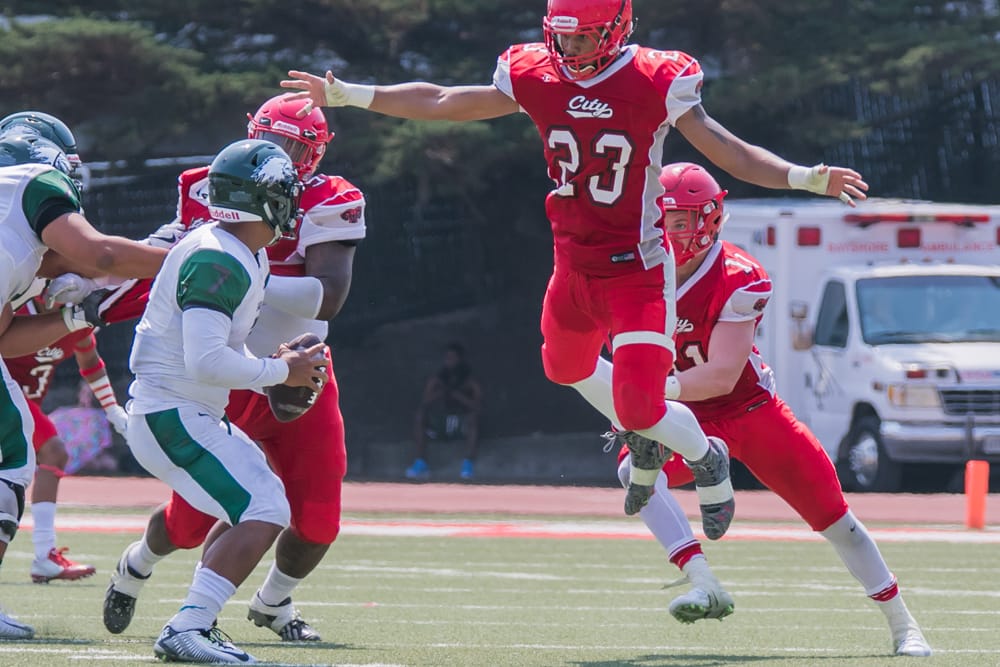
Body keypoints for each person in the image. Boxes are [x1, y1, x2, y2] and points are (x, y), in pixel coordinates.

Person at [280, 0, 868, 536]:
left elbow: (727, 150)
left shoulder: (656, 78)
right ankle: (686, 447)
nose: (571, 49)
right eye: (562, 38)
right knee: (562, 367)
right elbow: (443, 100)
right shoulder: (537, 72)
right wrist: (351, 94)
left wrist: (804, 177)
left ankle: (705, 458)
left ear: (617, 30)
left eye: (583, 38)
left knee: (638, 408)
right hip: (574, 265)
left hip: (636, 268)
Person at [616, 162, 930, 656]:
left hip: (749, 410)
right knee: (633, 472)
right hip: (684, 412)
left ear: (709, 220)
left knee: (836, 519)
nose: (666, 232)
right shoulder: (633, 272)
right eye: (659, 220)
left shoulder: (738, 276)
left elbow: (720, 376)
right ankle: (702, 579)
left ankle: (903, 625)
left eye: (678, 221)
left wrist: (645, 395)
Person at [94, 95, 367, 644]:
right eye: (273, 141)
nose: (282, 159)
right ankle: (157, 583)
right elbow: (178, 271)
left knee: (311, 513)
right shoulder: (222, 217)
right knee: (195, 520)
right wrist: (97, 283)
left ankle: (264, 605)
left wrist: (250, 277)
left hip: (289, 368)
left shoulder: (277, 228)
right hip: (228, 375)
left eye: (295, 147)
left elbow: (329, 297)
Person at [122, 138, 327, 664]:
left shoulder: (240, 251)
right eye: (286, 192)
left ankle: (196, 622)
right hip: (172, 411)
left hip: (187, 409)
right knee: (264, 507)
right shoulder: (219, 258)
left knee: (257, 505)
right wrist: (281, 372)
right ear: (266, 199)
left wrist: (272, 369)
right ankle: (188, 626)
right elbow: (206, 362)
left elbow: (220, 353)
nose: (293, 202)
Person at [0, 127, 166, 638]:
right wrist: (187, 258)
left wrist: (77, 316)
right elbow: (102, 255)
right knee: (15, 455)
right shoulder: (35, 180)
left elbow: (4, 339)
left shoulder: (13, 249)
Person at [4, 296, 128, 583]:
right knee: (53, 452)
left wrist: (113, 411)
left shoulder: (77, 316)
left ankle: (44, 555)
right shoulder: (15, 307)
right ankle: (44, 555)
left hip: (24, 402)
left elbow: (91, 362)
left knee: (41, 459)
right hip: (7, 397)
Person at [406, 341, 483, 480]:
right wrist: (440, 393)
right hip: (441, 423)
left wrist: (458, 396)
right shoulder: (437, 379)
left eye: (452, 358)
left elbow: (477, 407)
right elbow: (425, 402)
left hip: (461, 423)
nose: (449, 361)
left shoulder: (470, 380)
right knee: (420, 416)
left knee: (474, 418)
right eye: (447, 358)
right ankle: (420, 463)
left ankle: (468, 465)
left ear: (460, 359)